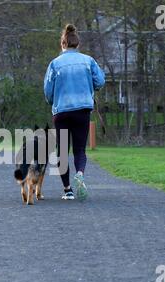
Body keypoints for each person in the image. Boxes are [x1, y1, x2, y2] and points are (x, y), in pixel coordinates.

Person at [44, 24, 105, 201]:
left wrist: (53, 102)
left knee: (62, 150)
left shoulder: (55, 64)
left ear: (63, 44)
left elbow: (48, 90)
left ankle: (68, 190)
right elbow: (100, 81)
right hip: (82, 110)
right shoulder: (89, 61)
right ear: (77, 44)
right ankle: (79, 173)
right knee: (80, 149)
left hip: (61, 111)